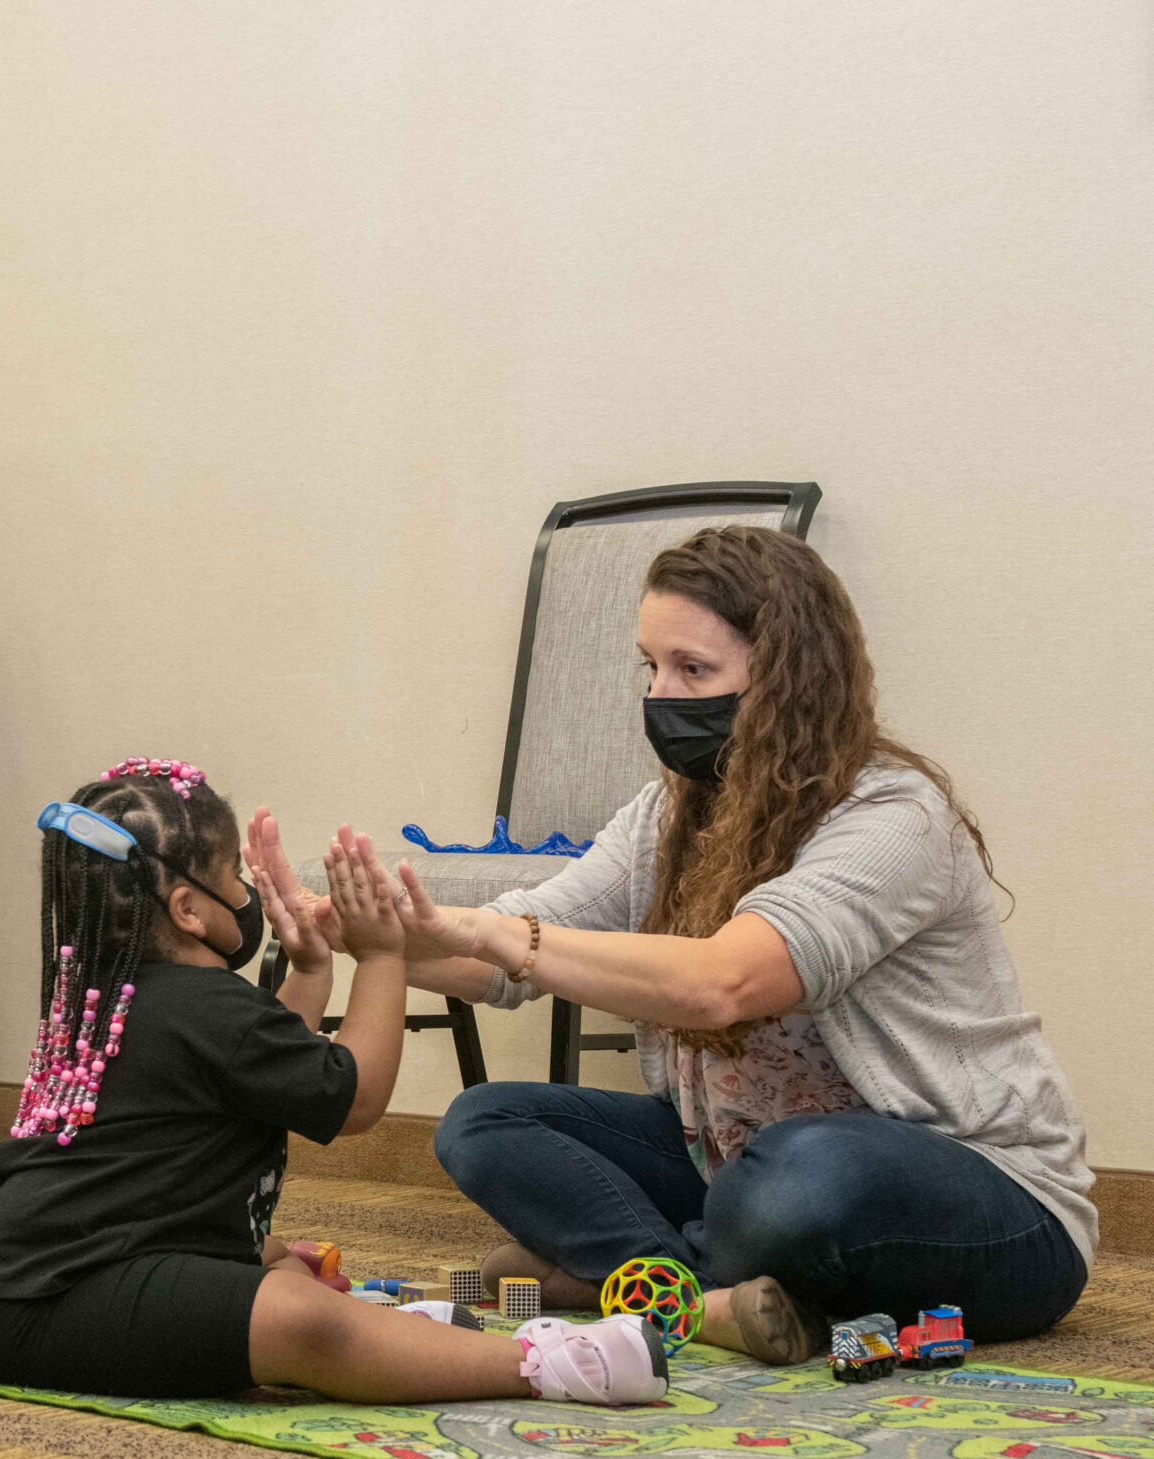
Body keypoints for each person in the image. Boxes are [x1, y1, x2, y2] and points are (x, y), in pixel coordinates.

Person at [382, 526, 1092, 1363]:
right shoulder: (666, 813)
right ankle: (695, 1293)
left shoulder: (895, 818)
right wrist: (365, 934)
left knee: (796, 1179)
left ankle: (620, 1270)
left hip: (990, 1200)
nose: (661, 696)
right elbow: (508, 952)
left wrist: (502, 933)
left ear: (788, 678)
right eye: (651, 667)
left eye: (692, 669)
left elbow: (724, 983)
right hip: (734, 1163)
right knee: (484, 1120)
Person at [0, 759, 668, 1407]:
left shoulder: (117, 999)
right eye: (232, 875)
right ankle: (545, 1363)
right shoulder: (206, 1007)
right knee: (305, 1321)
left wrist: (313, 968)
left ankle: (406, 1341)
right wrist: (381, 956)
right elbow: (354, 1097)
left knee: (272, 1264)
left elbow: (267, 1071)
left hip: (13, 1285)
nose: (245, 892)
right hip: (64, 1300)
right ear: (189, 909)